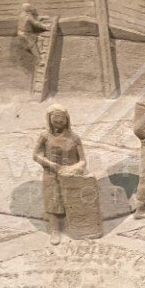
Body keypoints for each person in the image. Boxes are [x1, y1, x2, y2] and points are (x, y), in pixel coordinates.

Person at [33, 105, 86, 245]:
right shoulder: (45, 136)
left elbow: (83, 161)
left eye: (62, 120)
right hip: (51, 174)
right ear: (49, 120)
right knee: (53, 201)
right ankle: (55, 229)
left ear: (67, 119)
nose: (58, 123)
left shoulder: (74, 138)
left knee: (72, 200)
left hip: (70, 175)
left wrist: (73, 169)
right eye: (55, 121)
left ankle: (74, 225)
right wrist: (49, 164)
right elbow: (36, 155)